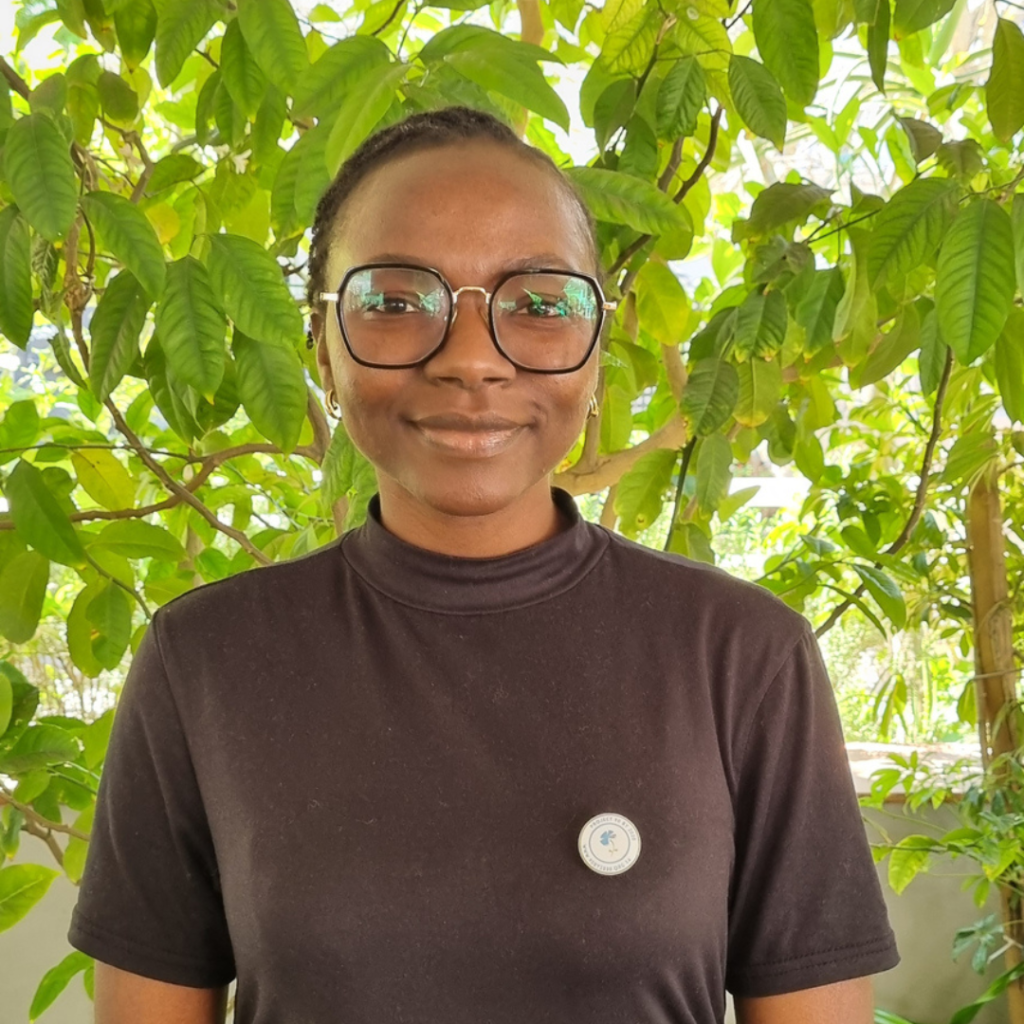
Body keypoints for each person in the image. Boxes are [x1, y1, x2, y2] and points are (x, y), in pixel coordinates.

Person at [68, 105, 899, 1024]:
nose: (471, 361)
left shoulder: (743, 657)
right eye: (395, 302)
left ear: (597, 349)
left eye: (538, 304)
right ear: (321, 346)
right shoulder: (205, 660)